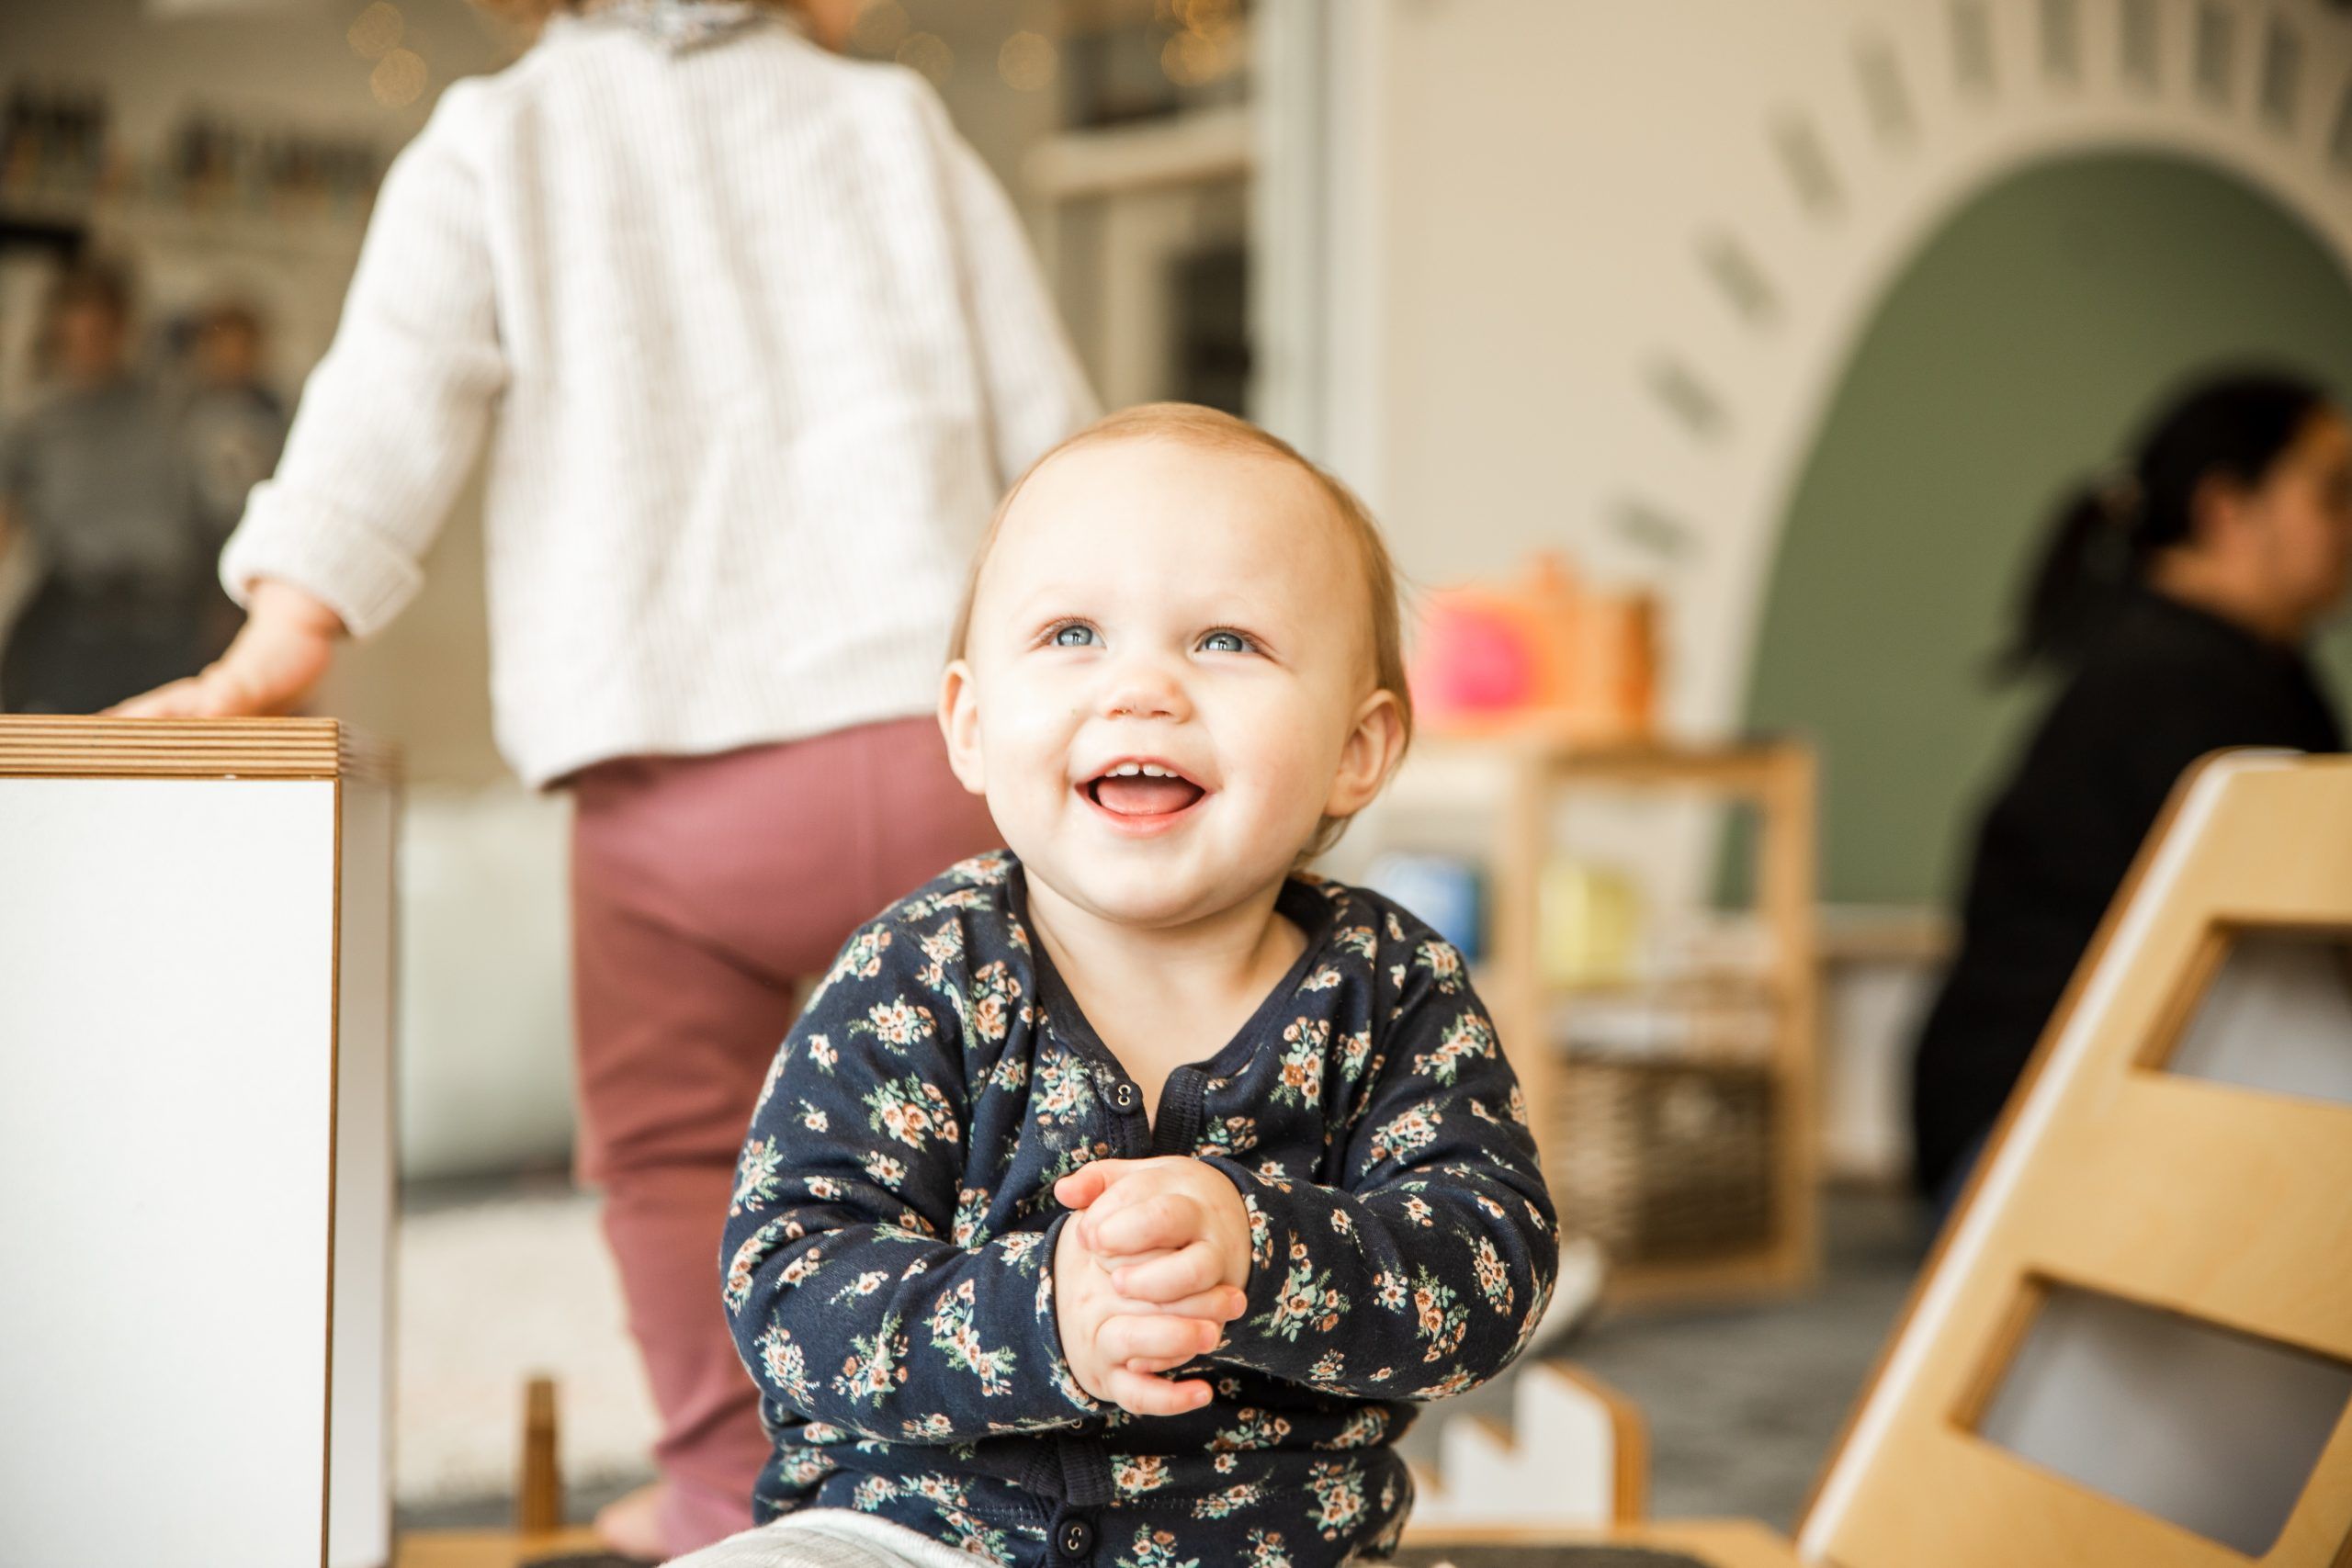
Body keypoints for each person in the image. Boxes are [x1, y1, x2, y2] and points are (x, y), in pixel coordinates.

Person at [116, 1, 1097, 1554]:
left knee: (676, 1146)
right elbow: (1057, 438)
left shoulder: (500, 135)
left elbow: (389, 399)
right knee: (1008, 1117)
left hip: (664, 790)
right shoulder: (896, 122)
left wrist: (275, 638)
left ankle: (726, 1481)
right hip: (939, 747)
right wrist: (1093, 668)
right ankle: (1030, 1460)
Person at [687, 404, 1561, 1568]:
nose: (1142, 687)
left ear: (1358, 748)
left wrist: (1263, 1250)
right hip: (907, 1538)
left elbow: (1489, 1272)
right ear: (971, 722)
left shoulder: (1389, 989)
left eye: (1226, 642)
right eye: (1071, 635)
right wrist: (1041, 1313)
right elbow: (791, 1286)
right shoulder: (921, 973)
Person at [1912, 370, 2349, 1217]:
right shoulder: (2182, 687)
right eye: (2332, 491)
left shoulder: (2239, 669)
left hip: (2001, 1125)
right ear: (2228, 510)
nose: (2346, 524)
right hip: (2025, 1138)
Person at [0, 261, 205, 713]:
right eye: (78, 333)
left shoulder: (168, 410)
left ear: (123, 330)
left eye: (102, 331)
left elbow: (202, 512)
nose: (90, 347)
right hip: (75, 617)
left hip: (164, 616)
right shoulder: (34, 421)